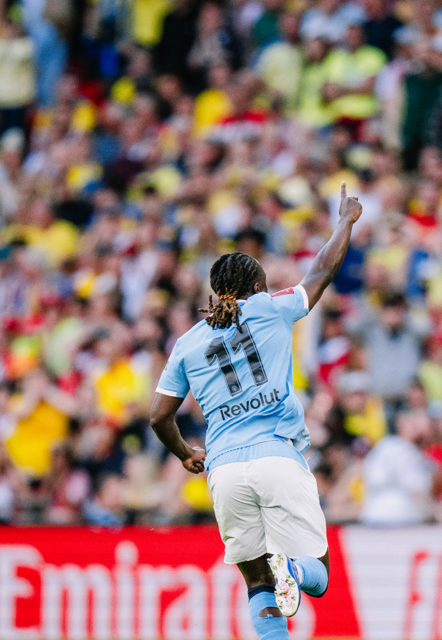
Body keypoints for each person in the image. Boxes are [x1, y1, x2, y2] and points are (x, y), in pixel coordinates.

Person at [148, 183, 363, 639]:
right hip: (276, 457)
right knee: (317, 574)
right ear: (257, 286)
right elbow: (321, 271)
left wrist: (186, 452)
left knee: (258, 584)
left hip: (223, 469)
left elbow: (157, 416)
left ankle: (278, 587)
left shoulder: (187, 344)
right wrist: (344, 221)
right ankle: (296, 571)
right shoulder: (270, 309)